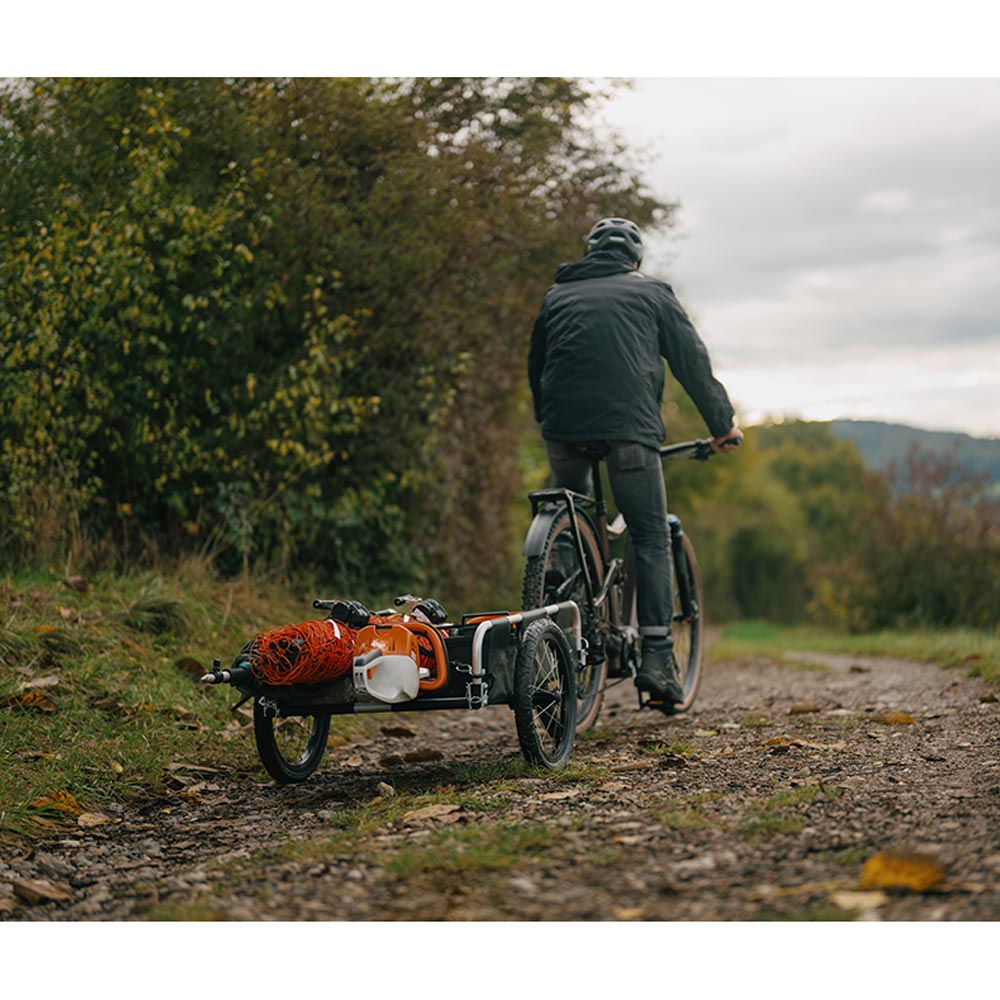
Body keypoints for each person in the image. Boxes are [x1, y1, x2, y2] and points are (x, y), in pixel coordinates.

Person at [528, 217, 743, 710]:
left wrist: (552, 423)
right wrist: (721, 424)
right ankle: (657, 660)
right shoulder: (653, 294)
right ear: (634, 259)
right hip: (629, 431)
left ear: (590, 255)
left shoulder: (556, 297)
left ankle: (559, 624)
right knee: (648, 534)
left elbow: (536, 367)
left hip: (562, 432)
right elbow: (692, 361)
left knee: (574, 514)